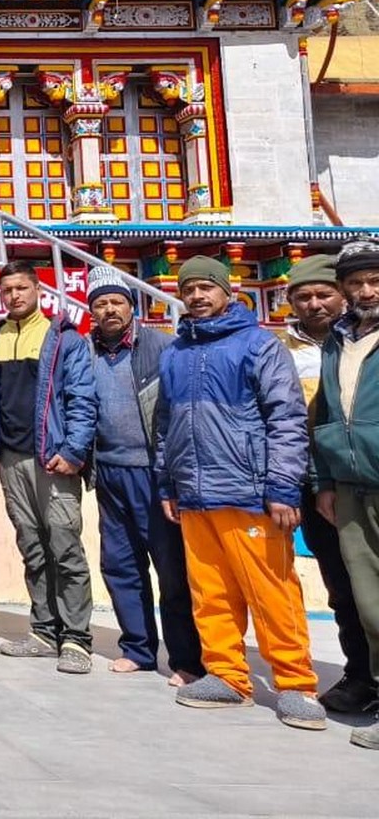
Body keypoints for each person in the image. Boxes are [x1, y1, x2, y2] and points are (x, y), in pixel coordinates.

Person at [156, 256, 325, 730]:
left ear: (229, 291)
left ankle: (296, 683)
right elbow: (165, 425)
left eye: (206, 287)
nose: (197, 296)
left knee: (271, 591)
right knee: (210, 593)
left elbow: (287, 420)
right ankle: (228, 675)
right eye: (189, 289)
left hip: (248, 490)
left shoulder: (259, 346)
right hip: (193, 492)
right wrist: (167, 482)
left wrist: (283, 487)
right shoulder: (176, 353)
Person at [0, 261, 97, 674]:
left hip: (54, 458)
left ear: (38, 289)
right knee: (32, 546)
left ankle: (76, 638)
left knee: (65, 545)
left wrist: (74, 450)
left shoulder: (63, 339)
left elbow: (82, 400)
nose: (14, 297)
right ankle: (44, 631)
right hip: (10, 458)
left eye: (21, 288)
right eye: (7, 290)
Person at [82, 265, 202, 685]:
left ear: (131, 307)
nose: (109, 310)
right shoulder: (85, 351)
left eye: (117, 301)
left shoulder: (162, 347)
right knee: (120, 565)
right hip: (109, 473)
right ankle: (137, 649)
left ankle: (187, 659)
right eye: (101, 304)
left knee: (172, 570)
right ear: (91, 310)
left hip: (155, 474)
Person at [282, 254, 374, 714]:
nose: (315, 303)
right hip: (317, 482)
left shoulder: (358, 341)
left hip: (367, 478)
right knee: (342, 585)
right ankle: (360, 675)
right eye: (304, 296)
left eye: (323, 294)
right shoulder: (280, 349)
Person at [312, 240, 379, 749]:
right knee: (368, 603)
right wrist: (326, 483)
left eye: (374, 280)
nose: (365, 290)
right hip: (351, 486)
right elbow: (328, 417)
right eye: (355, 282)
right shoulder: (339, 340)